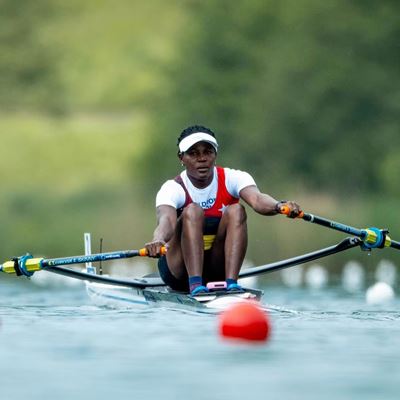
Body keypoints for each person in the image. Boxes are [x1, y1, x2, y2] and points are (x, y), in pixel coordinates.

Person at [145, 125, 301, 295]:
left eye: (207, 152)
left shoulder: (234, 178)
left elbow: (257, 199)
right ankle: (195, 284)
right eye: (193, 153)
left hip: (215, 269)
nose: (202, 158)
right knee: (193, 211)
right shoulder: (172, 188)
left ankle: (231, 284)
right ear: (181, 158)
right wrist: (158, 239)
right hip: (178, 272)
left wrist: (279, 206)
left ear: (215, 154)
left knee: (237, 210)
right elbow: (166, 221)